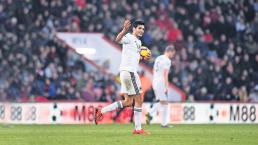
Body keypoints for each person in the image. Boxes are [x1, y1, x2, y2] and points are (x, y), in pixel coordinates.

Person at [94, 19, 151, 135]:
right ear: (134, 28)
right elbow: (117, 39)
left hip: (126, 72)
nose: (141, 30)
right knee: (139, 99)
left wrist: (142, 57)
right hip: (129, 72)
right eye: (139, 28)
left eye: (143, 29)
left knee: (128, 102)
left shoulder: (138, 43)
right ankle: (138, 129)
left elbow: (133, 56)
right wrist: (124, 30)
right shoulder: (129, 37)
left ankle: (101, 111)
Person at [145, 45, 176, 127]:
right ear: (170, 51)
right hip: (161, 82)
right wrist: (166, 86)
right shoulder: (167, 61)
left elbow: (153, 70)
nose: (173, 55)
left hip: (155, 81)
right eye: (173, 53)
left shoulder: (158, 58)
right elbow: (165, 74)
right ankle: (159, 120)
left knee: (162, 102)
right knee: (164, 102)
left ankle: (153, 116)